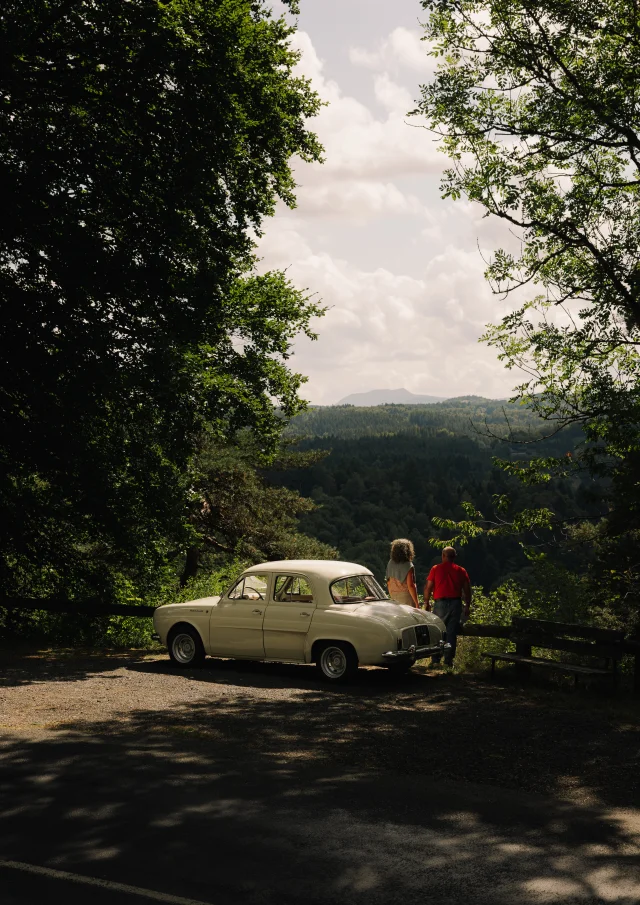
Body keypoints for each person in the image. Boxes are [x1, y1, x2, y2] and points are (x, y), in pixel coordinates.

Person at [423, 546, 471, 666]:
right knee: (451, 632)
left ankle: (435, 660)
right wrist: (467, 606)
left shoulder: (435, 569)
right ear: (454, 557)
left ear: (443, 556)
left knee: (438, 631)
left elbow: (428, 588)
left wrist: (427, 603)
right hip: (455, 603)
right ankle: (448, 661)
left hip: (440, 603)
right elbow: (467, 590)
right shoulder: (461, 571)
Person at [385, 538, 420, 608]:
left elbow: (388, 582)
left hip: (394, 596)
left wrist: (392, 595)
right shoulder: (408, 565)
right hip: (406, 598)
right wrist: (416, 603)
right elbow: (410, 585)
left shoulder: (390, 563)